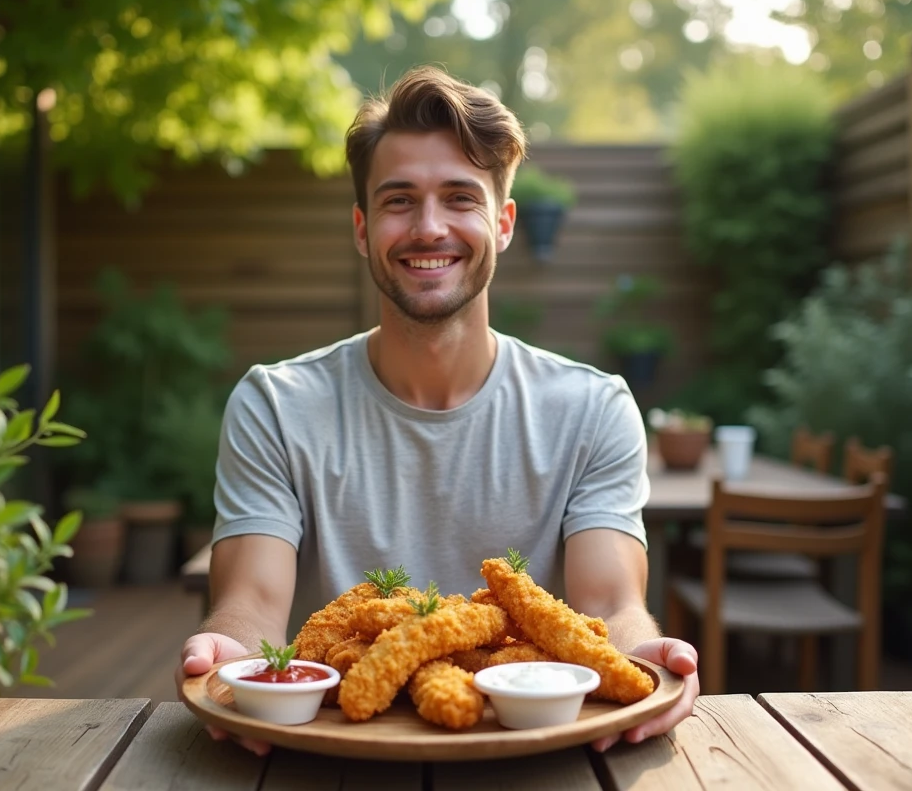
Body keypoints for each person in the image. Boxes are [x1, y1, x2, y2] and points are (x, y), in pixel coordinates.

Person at [177, 65, 699, 754]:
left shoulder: (592, 408)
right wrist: (230, 653)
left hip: (540, 759)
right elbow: (253, 603)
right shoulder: (276, 405)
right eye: (399, 201)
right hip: (330, 758)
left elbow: (607, 607)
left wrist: (642, 658)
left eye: (460, 198)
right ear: (362, 229)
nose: (429, 228)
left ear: (503, 224)